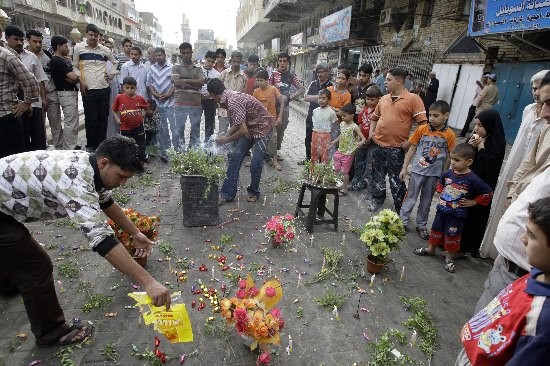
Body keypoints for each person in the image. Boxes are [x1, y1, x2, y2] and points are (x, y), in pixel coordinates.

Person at [0, 135, 170, 347]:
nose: (123, 183)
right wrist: (148, 282)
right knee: (37, 268)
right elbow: (102, 240)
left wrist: (135, 233)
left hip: (5, 202)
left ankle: (11, 283)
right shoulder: (74, 181)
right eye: (121, 176)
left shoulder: (88, 164)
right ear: (105, 162)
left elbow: (105, 201)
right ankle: (51, 333)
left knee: (18, 258)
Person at [457, 197, 550, 365]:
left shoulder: (542, 318)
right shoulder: (536, 274)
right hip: (474, 351)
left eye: (531, 235)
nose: (523, 238)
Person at [480, 70, 549, 259]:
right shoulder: (529, 110)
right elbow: (526, 153)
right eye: (533, 88)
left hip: (535, 173)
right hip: (517, 164)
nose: (535, 92)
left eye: (538, 88)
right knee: (503, 203)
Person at [413, 144, 493, 273]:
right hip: (442, 210)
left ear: (469, 162)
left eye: (457, 160)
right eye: (452, 159)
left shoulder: (473, 179)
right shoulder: (449, 173)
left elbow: (487, 193)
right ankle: (431, 249)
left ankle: (449, 257)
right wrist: (440, 190)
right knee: (436, 229)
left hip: (457, 215)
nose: (453, 163)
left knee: (453, 235)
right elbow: (441, 181)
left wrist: (473, 202)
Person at [367, 67, 427, 212]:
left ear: (399, 81)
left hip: (396, 149)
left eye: (388, 80)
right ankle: (377, 199)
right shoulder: (383, 99)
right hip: (378, 145)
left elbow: (423, 124)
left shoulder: (413, 99)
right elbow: (374, 118)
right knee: (377, 175)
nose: (385, 82)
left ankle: (401, 208)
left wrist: (410, 141)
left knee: (397, 180)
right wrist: (371, 132)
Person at [207, 78, 275, 204]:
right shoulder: (229, 98)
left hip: (263, 128)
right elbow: (239, 124)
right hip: (250, 128)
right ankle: (227, 194)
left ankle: (254, 191)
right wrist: (225, 135)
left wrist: (226, 139)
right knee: (235, 158)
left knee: (256, 162)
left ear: (212, 95)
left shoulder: (233, 102)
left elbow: (242, 130)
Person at [399, 100, 456, 240]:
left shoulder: (449, 135)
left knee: (426, 200)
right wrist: (404, 167)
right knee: (410, 197)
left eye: (436, 116)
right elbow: (412, 148)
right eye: (430, 115)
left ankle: (421, 225)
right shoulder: (422, 129)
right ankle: (402, 222)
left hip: (434, 175)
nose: (432, 119)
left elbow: (449, 156)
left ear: (446, 115)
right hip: (417, 171)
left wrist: (443, 174)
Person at [461, 110, 506, 256]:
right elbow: (463, 155)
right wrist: (471, 146)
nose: (476, 128)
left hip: (482, 187)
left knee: (476, 217)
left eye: (480, 125)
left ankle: (468, 247)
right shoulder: (476, 137)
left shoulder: (497, 143)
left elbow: (488, 166)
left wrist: (481, 148)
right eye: (476, 125)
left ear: (489, 125)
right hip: (468, 183)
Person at [73, 23, 119, 152]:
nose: (93, 37)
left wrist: (111, 75)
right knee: (91, 118)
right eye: (91, 35)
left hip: (104, 88)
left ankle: (101, 145)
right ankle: (90, 146)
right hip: (88, 89)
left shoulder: (104, 50)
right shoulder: (79, 48)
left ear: (99, 37)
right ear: (86, 35)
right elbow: (75, 66)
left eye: (96, 35)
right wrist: (80, 79)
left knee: (103, 117)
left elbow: (116, 62)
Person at [5, 25, 48, 151]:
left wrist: (42, 99)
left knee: (38, 137)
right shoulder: (4, 56)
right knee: (20, 139)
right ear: (7, 38)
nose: (19, 43)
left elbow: (38, 80)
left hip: (33, 103)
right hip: (13, 106)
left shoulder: (31, 57)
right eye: (15, 39)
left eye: (21, 40)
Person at [0, 40, 40, 158]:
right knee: (12, 161)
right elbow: (31, 82)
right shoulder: (6, 55)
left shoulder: (6, 56)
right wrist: (27, 102)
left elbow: (31, 82)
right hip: (6, 117)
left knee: (12, 159)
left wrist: (26, 103)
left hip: (6, 117)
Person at [26, 29, 62, 150]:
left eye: (40, 41)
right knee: (39, 126)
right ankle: (42, 148)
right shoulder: (23, 57)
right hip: (35, 97)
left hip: (51, 93)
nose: (38, 44)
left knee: (56, 123)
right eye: (34, 41)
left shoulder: (47, 55)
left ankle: (59, 148)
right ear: (28, 41)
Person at [269, 52, 305, 160]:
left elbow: (302, 89)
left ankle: (276, 151)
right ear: (277, 62)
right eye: (280, 61)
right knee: (271, 130)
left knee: (280, 130)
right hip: (272, 107)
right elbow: (268, 87)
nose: (282, 63)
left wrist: (290, 97)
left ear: (288, 63)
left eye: (284, 61)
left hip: (284, 108)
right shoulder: (273, 75)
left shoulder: (291, 76)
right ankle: (271, 152)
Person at [49, 35, 81, 150]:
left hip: (68, 92)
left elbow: (72, 77)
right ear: (58, 47)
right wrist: (74, 77)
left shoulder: (63, 60)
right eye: (65, 46)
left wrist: (73, 77)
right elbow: (73, 77)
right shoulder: (56, 61)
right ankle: (69, 148)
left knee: (72, 121)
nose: (68, 48)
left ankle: (69, 145)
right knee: (71, 121)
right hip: (66, 93)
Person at [171, 42, 204, 149]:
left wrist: (184, 80)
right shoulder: (176, 67)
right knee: (179, 129)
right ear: (180, 53)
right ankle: (180, 151)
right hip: (180, 104)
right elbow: (176, 83)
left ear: (191, 53)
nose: (185, 55)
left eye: (188, 52)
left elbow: (201, 82)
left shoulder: (198, 68)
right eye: (183, 53)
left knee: (195, 130)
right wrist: (194, 83)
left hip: (195, 104)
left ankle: (192, 151)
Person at [329, 103, 366, 196]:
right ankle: (336, 185)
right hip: (340, 150)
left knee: (345, 172)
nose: (343, 118)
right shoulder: (342, 124)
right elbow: (342, 135)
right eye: (342, 116)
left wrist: (360, 143)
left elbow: (363, 138)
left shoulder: (354, 127)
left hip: (348, 153)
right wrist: (334, 141)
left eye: (344, 116)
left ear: (352, 116)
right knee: (336, 169)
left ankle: (344, 188)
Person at [349, 85, 381, 192]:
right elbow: (360, 125)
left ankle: (364, 183)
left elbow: (377, 128)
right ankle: (355, 182)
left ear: (379, 99)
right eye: (368, 99)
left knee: (369, 165)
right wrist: (359, 138)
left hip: (372, 143)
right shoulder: (364, 111)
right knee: (358, 162)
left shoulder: (378, 112)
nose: (370, 102)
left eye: (373, 99)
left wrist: (370, 140)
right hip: (361, 142)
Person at [112, 76, 150, 165]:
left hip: (138, 127)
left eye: (132, 88)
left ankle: (141, 162)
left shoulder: (140, 99)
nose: (129, 90)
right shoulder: (119, 98)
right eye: (127, 88)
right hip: (125, 128)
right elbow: (114, 110)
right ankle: (128, 162)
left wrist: (143, 115)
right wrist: (117, 119)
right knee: (126, 145)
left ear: (136, 88)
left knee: (141, 145)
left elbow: (146, 107)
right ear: (123, 87)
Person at [300, 63, 333, 164]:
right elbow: (305, 97)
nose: (320, 74)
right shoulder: (313, 84)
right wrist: (319, 98)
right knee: (309, 138)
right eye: (318, 72)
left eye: (322, 72)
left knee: (322, 139)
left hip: (324, 117)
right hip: (312, 115)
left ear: (327, 73)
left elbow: (330, 101)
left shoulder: (331, 86)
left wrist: (315, 98)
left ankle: (320, 160)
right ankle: (308, 158)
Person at [147, 47, 175, 162]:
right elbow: (149, 84)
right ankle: (164, 152)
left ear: (164, 55)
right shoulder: (152, 69)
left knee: (174, 128)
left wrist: (168, 95)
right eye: (156, 55)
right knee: (161, 129)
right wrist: (155, 94)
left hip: (170, 103)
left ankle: (176, 151)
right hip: (157, 103)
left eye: (160, 55)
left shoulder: (171, 68)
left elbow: (175, 84)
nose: (158, 57)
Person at [252, 69, 285, 171]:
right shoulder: (256, 92)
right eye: (257, 80)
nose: (259, 82)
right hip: (260, 121)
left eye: (261, 80)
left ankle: (274, 160)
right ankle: (255, 159)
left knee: (272, 141)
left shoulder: (273, 89)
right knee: (256, 140)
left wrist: (280, 117)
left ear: (267, 80)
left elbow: (282, 101)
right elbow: (253, 106)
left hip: (271, 120)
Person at [218, 51, 247, 134]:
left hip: (237, 112)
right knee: (222, 134)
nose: (236, 64)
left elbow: (244, 95)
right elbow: (218, 91)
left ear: (241, 62)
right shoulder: (224, 74)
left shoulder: (244, 77)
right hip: (224, 111)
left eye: (238, 62)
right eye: (234, 61)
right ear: (231, 60)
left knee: (233, 137)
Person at [327, 70, 352, 159]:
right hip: (325, 122)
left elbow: (344, 112)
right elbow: (323, 104)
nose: (340, 80)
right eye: (339, 77)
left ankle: (329, 167)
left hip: (336, 124)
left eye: (343, 78)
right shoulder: (329, 90)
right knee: (322, 143)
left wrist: (329, 108)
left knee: (332, 145)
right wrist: (337, 110)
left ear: (347, 81)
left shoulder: (347, 95)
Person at [311, 89, 337, 164]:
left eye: (323, 98)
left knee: (324, 155)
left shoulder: (331, 112)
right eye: (319, 98)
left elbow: (334, 124)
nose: (321, 100)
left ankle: (322, 173)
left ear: (328, 99)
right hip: (315, 134)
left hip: (326, 135)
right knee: (314, 153)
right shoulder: (315, 111)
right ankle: (312, 173)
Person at [200, 50, 221, 143]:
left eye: (213, 62)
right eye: (209, 61)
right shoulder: (198, 71)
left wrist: (210, 94)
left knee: (210, 123)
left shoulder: (217, 74)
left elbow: (218, 89)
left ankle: (208, 143)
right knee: (195, 121)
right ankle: (195, 143)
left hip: (210, 101)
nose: (210, 63)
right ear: (205, 59)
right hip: (198, 100)